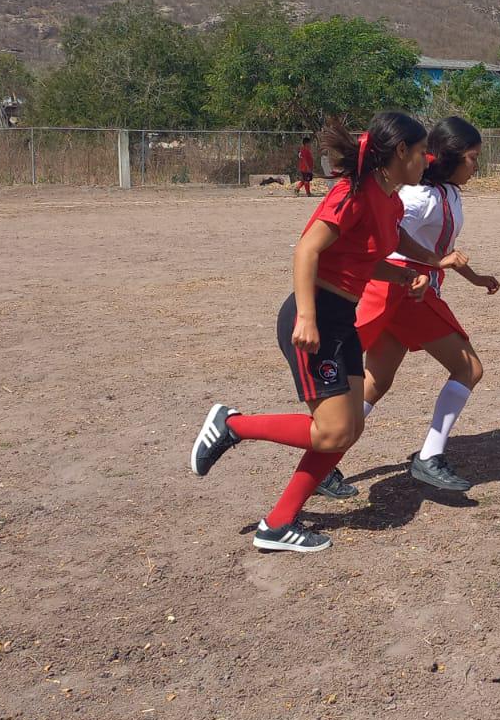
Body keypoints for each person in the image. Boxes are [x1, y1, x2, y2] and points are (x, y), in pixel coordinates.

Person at [189, 111, 466, 554]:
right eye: (420, 153)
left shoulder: (390, 200)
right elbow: (307, 250)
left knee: (349, 428)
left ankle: (278, 524)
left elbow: (375, 252)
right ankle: (232, 425)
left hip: (342, 318)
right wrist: (306, 316)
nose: (427, 161)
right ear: (400, 152)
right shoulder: (351, 193)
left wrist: (411, 272)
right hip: (316, 314)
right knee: (332, 432)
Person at [356, 117, 500, 492]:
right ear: (452, 156)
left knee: (376, 382)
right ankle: (430, 456)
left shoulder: (446, 192)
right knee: (468, 368)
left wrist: (474, 277)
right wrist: (427, 267)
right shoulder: (420, 195)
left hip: (406, 290)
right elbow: (388, 236)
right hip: (407, 292)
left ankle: (324, 455)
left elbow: (439, 251)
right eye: (473, 157)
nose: (477, 166)